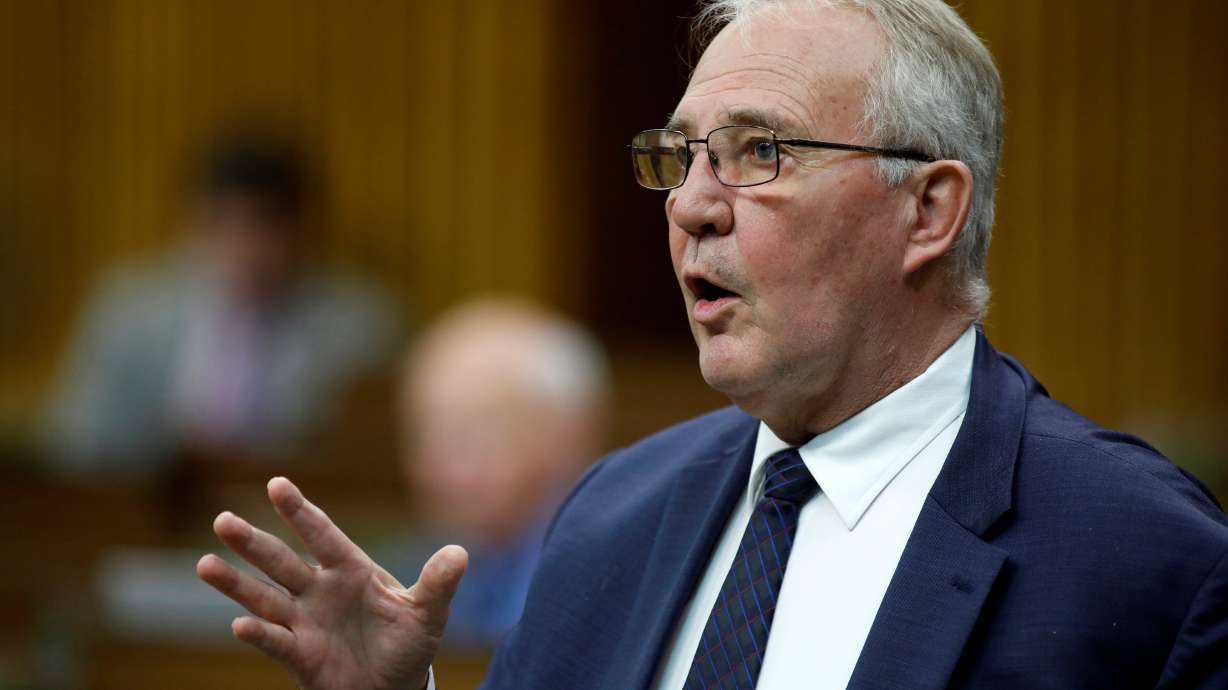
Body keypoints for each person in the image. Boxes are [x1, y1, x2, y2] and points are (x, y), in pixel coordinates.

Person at [197, 1, 1228, 689]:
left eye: (758, 152)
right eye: (683, 157)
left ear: (927, 209)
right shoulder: (612, 515)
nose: (689, 205)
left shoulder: (1138, 556)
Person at [43, 129, 401, 477]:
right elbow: (79, 441)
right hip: (146, 511)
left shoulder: (359, 324)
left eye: (260, 225)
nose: (241, 245)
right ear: (190, 222)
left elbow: (360, 463)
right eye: (220, 222)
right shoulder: (130, 309)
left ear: (301, 229)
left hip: (285, 514)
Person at [381, 298, 608, 648]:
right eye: (425, 436)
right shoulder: (394, 581)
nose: (441, 468)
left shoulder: (621, 577)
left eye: (475, 436)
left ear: (567, 437)